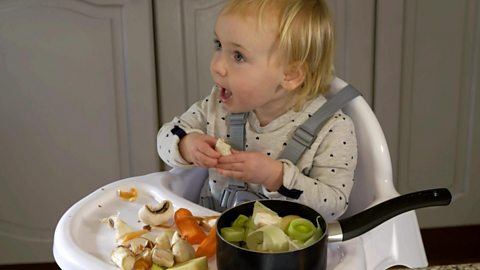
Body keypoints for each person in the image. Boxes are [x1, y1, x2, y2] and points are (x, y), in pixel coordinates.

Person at [157, 0, 357, 221]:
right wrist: (186, 144)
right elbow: (167, 135)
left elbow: (334, 205)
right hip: (209, 237)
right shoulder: (217, 105)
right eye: (218, 45)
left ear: (290, 74)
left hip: (285, 251)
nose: (217, 65)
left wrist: (275, 176)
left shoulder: (332, 128)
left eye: (238, 56)